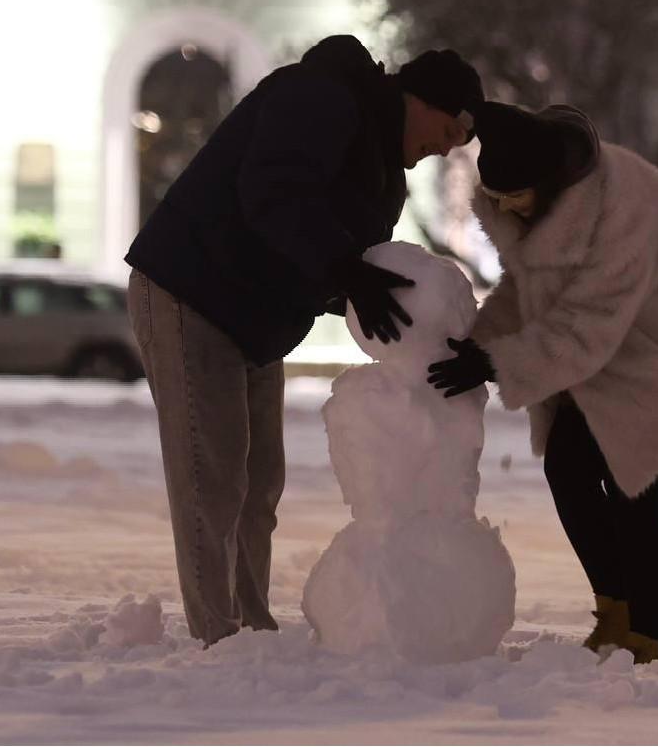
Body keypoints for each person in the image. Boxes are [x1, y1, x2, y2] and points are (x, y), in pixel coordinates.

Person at [126, 35, 484, 647]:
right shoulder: (320, 96)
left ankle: (251, 626)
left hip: (252, 320)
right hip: (192, 291)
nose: (445, 148)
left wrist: (408, 322)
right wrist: (344, 270)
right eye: (448, 128)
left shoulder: (383, 181)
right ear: (416, 98)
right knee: (210, 476)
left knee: (258, 482)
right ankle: (219, 636)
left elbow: (349, 265)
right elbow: (273, 193)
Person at [427, 101, 658, 664]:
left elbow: (587, 322)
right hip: (624, 351)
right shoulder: (551, 209)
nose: (506, 205)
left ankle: (647, 640)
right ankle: (616, 618)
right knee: (569, 467)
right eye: (499, 195)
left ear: (548, 180)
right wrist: (480, 343)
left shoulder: (621, 213)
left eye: (515, 194)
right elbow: (533, 291)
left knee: (633, 488)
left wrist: (496, 362)